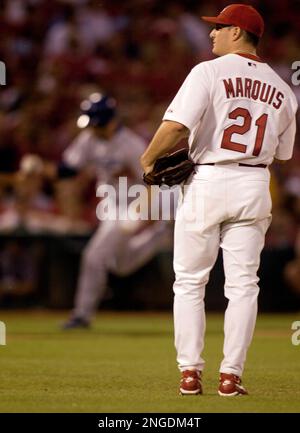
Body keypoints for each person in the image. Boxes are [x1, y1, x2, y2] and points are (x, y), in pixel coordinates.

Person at [141, 4, 298, 396]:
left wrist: (147, 160)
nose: (212, 33)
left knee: (190, 282)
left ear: (238, 33)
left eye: (220, 27)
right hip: (255, 183)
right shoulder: (282, 87)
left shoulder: (207, 72)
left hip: (209, 179)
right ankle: (232, 375)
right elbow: (283, 154)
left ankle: (190, 373)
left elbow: (176, 126)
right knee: (244, 285)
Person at [49, 92, 170, 329]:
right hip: (111, 207)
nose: (94, 128)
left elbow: (153, 183)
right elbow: (69, 169)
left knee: (94, 256)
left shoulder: (131, 144)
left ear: (112, 120)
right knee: (120, 265)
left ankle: (82, 314)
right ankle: (161, 235)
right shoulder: (89, 139)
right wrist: (41, 169)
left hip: (131, 206)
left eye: (98, 123)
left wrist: (137, 213)